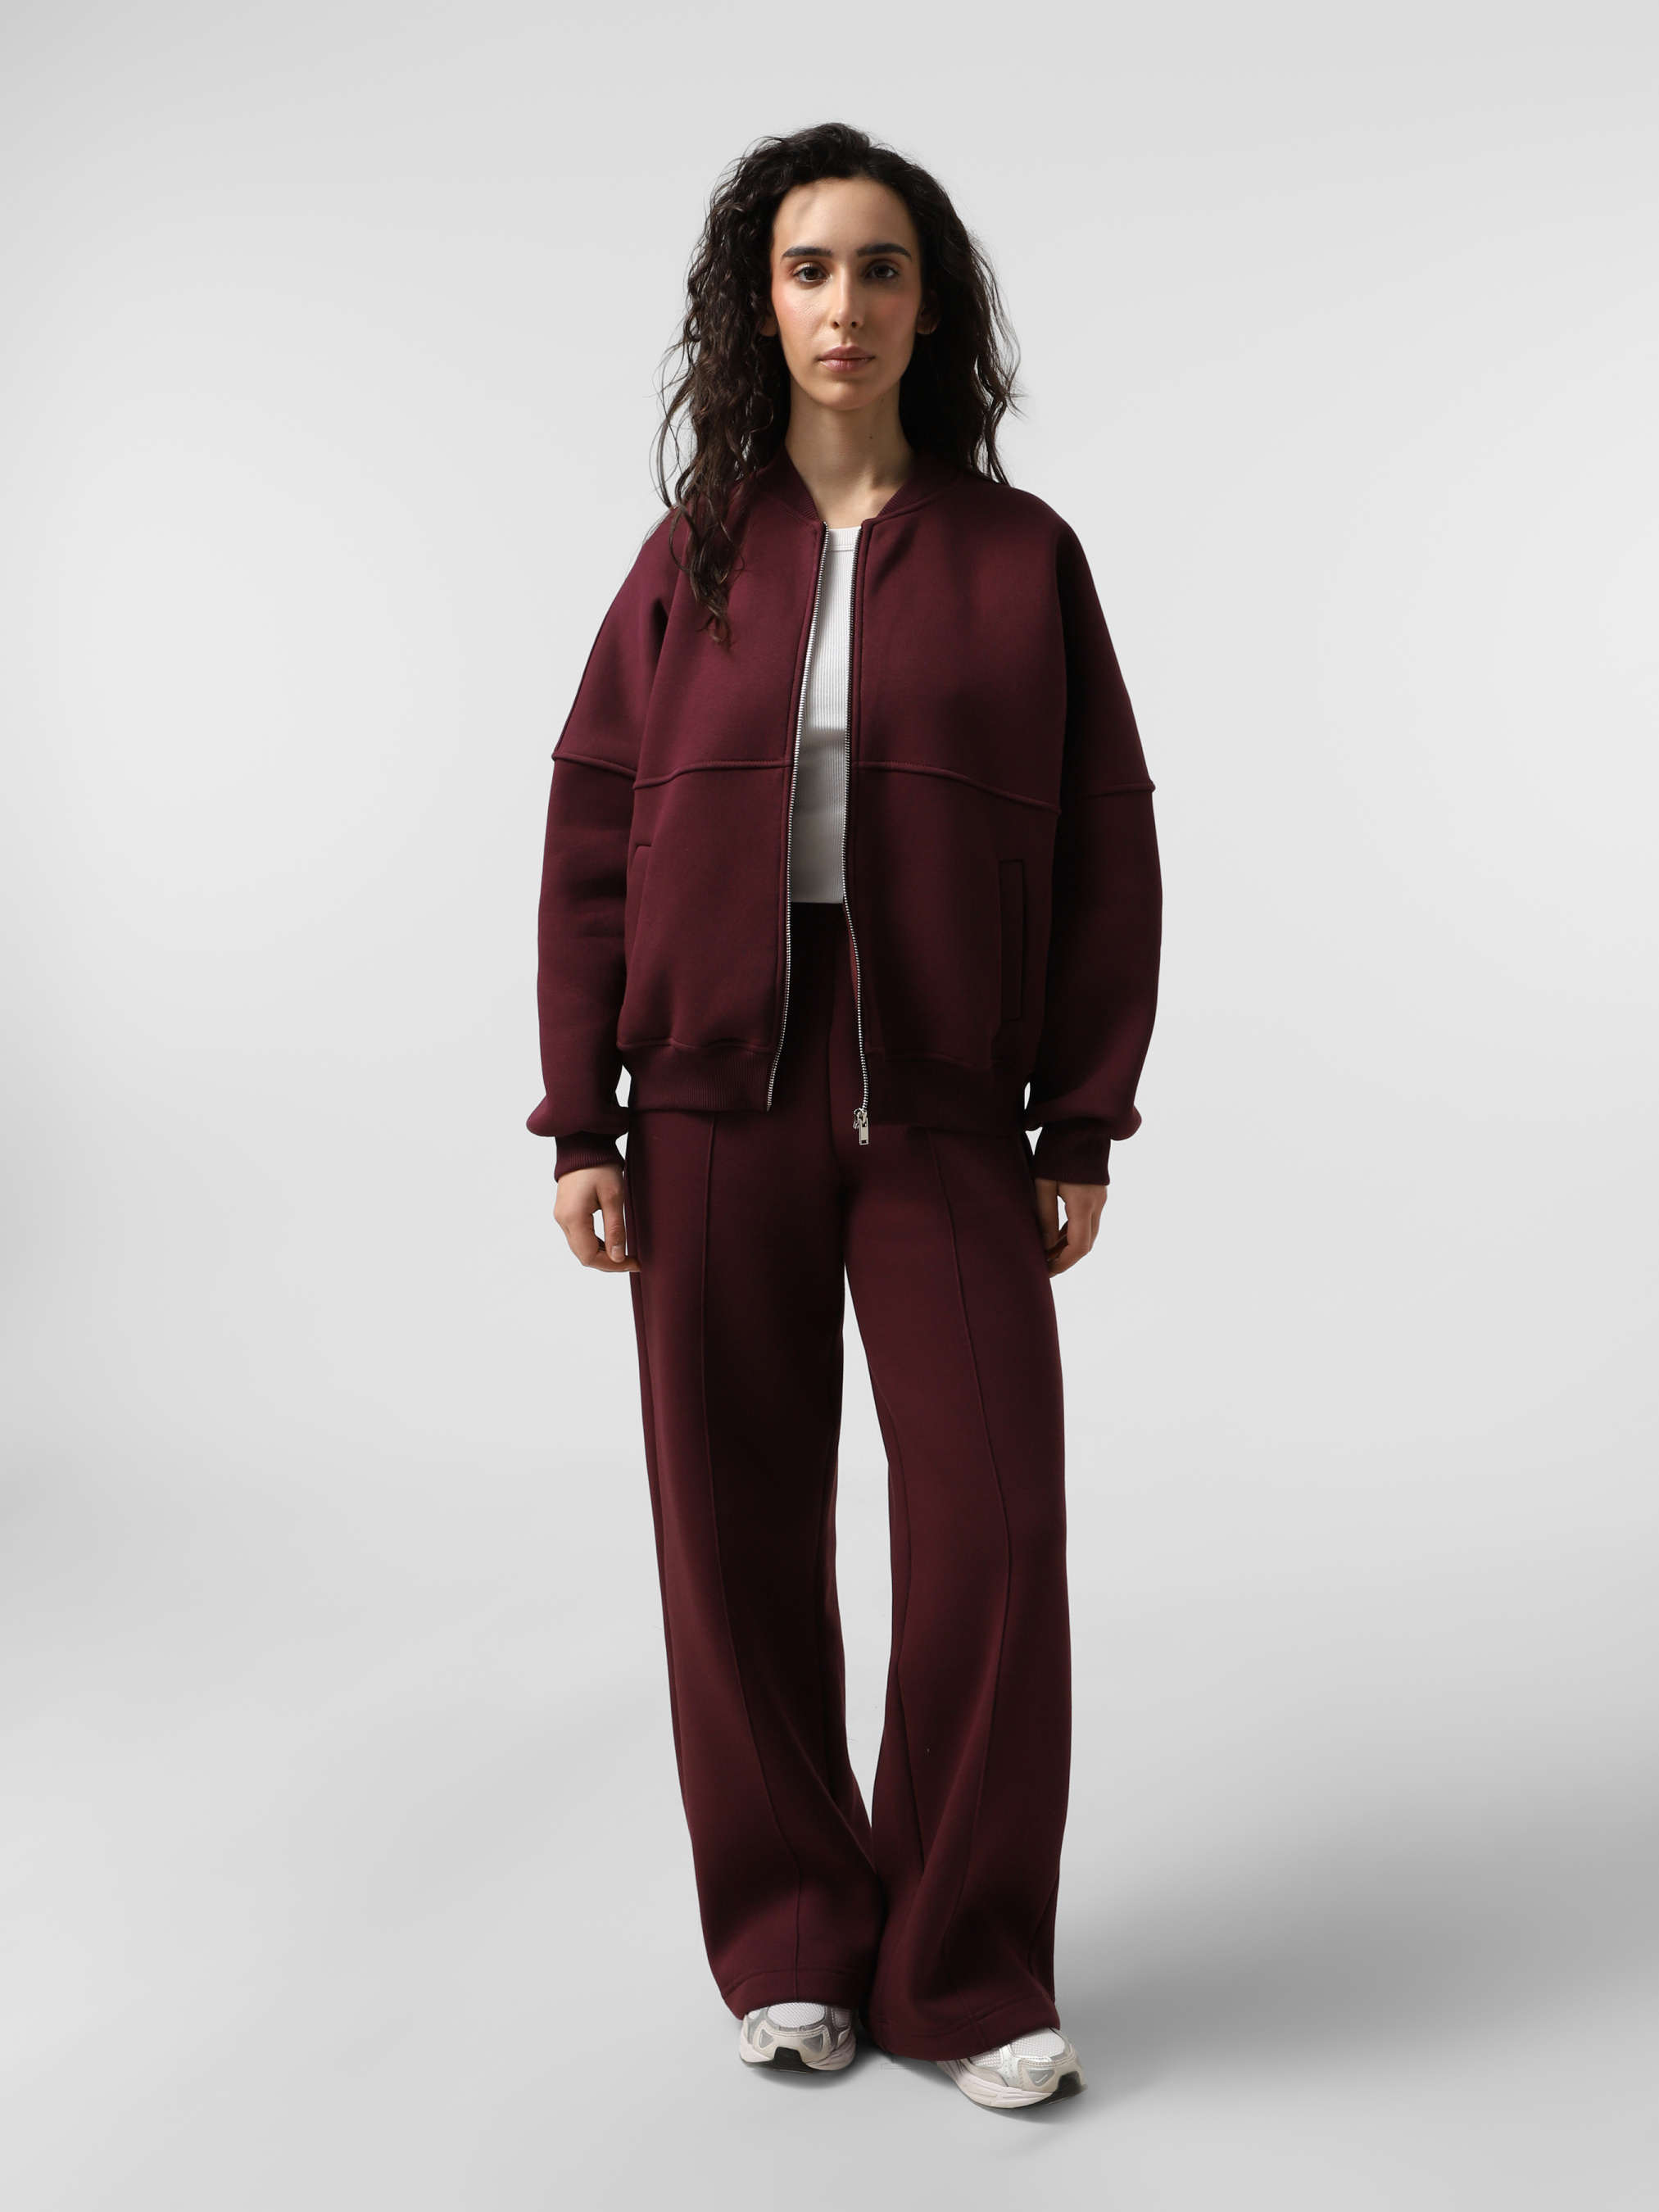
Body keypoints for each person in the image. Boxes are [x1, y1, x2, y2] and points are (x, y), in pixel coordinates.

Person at [530, 122, 1160, 2111]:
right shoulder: (689, 557)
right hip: (709, 1097)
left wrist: (1077, 1119)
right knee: (729, 1533)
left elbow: (1104, 843)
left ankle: (961, 1970)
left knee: (991, 1532)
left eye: (880, 268)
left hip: (941, 1103)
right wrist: (582, 1118)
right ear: (759, 302)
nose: (843, 305)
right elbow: (590, 835)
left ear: (928, 307)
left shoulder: (1019, 557)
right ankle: (793, 1939)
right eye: (808, 268)